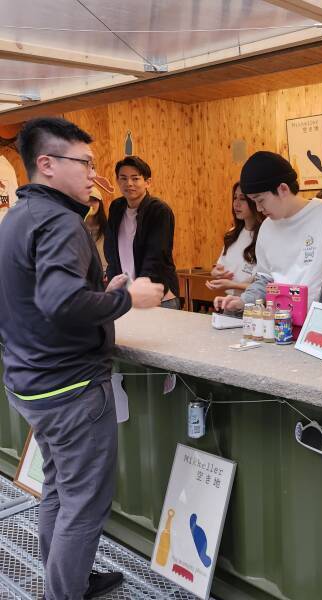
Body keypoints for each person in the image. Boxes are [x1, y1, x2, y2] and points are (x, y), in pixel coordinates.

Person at [0, 117, 164, 599]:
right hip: (70, 389)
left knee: (58, 490)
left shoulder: (18, 218)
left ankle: (67, 582)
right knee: (83, 506)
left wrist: (100, 290)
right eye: (85, 163)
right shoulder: (61, 222)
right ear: (46, 164)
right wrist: (129, 297)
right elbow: (59, 303)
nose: (94, 174)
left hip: (31, 383)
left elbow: (42, 295)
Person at [213, 152, 322, 326]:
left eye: (261, 200)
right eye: (253, 201)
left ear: (283, 189)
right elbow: (265, 280)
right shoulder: (266, 228)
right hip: (281, 330)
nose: (258, 208)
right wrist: (244, 301)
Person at [104, 155, 180, 309]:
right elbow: (111, 250)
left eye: (135, 178)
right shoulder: (116, 207)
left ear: (147, 182)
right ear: (118, 181)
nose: (129, 183)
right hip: (128, 295)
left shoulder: (159, 210)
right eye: (123, 178)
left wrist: (141, 289)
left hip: (158, 297)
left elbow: (156, 256)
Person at [205, 182, 263, 296]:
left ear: (254, 201)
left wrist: (232, 285)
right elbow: (219, 267)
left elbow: (266, 286)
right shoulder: (232, 233)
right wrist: (216, 273)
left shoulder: (265, 235)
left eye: (242, 199)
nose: (236, 204)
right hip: (229, 303)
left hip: (254, 306)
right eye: (235, 198)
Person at [85, 185, 108, 272]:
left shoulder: (107, 229)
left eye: (94, 200)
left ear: (100, 204)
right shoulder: (76, 228)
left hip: (104, 275)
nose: (91, 204)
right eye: (87, 200)